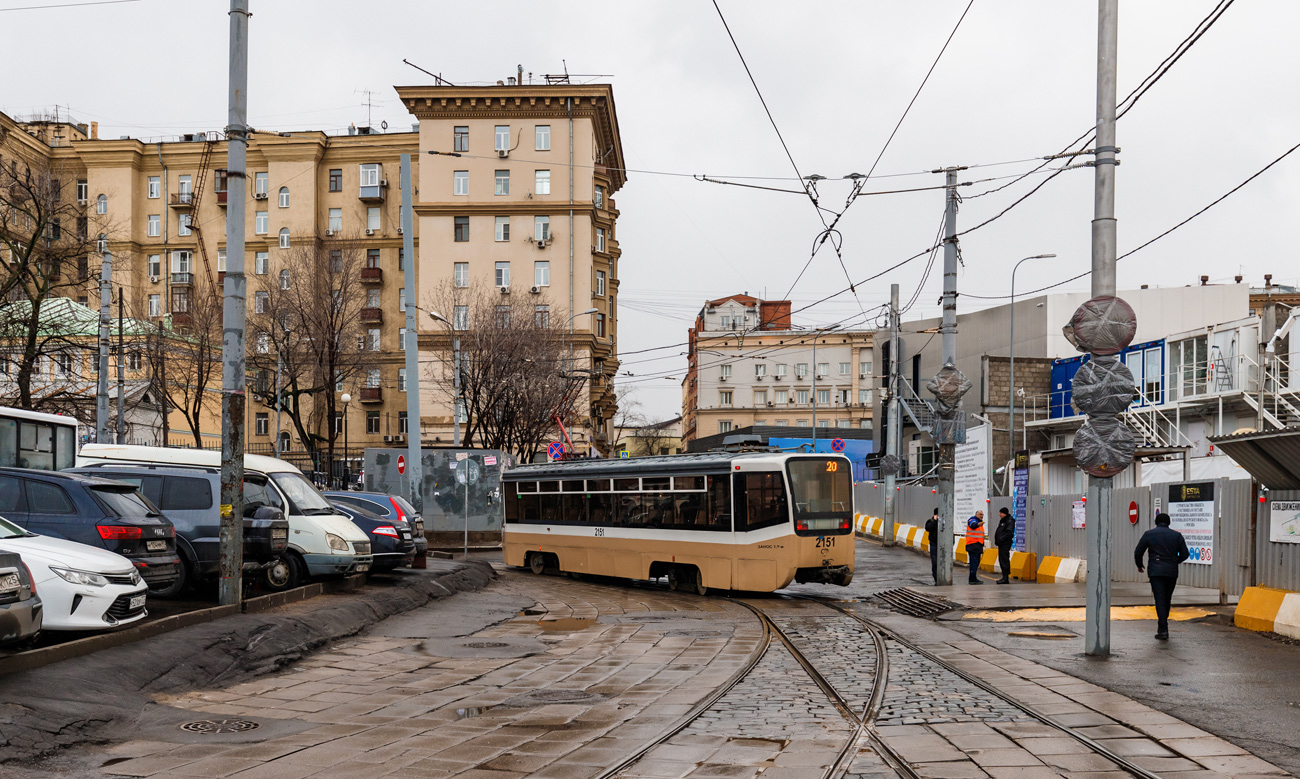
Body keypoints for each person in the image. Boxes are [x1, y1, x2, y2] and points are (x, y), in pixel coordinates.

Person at [1134, 512, 1190, 640]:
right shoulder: (1177, 535)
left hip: (1155, 571)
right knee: (1167, 598)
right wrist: (1175, 561)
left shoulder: (1149, 534)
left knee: (1159, 599)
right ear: (1169, 522)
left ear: (1156, 522)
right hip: (1171, 571)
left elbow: (1138, 551)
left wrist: (1139, 565)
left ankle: (1163, 628)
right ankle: (1163, 625)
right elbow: (1185, 554)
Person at [994, 507, 1016, 584]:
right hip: (1001, 543)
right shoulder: (1003, 520)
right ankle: (1004, 577)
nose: (999, 514)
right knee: (1001, 559)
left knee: (1004, 560)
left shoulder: (1009, 521)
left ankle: (1005, 577)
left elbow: (1009, 533)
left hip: (1005, 543)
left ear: (1005, 514)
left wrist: (1001, 539)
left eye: (1001, 513)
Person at [965, 510, 985, 584]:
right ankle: (972, 579)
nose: (981, 516)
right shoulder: (972, 520)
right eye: (980, 514)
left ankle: (973, 578)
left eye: (982, 514)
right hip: (973, 545)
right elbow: (972, 525)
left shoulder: (980, 523)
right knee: (974, 562)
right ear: (976, 514)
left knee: (976, 562)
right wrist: (978, 524)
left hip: (977, 545)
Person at [924, 508, 940, 584]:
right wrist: (935, 521)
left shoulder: (945, 521)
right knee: (935, 562)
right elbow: (928, 528)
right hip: (934, 544)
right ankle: (936, 579)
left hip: (943, 545)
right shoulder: (930, 521)